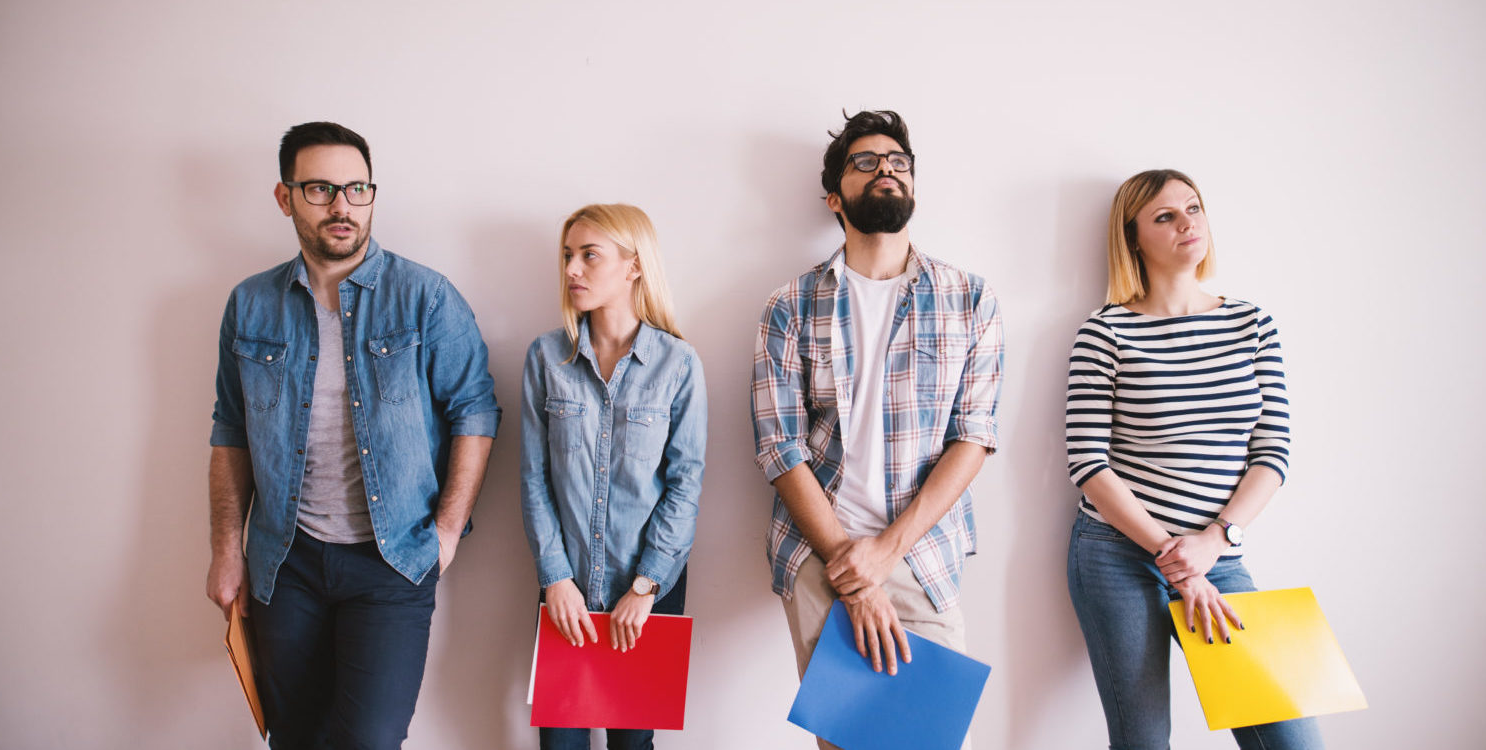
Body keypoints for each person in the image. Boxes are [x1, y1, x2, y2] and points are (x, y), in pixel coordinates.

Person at [205, 121, 500, 749]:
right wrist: (227, 548)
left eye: (356, 188)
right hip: (285, 562)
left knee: (369, 739)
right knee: (294, 736)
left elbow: (476, 410)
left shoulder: (425, 297)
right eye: (320, 189)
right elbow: (230, 429)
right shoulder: (250, 304)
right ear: (285, 198)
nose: (342, 206)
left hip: (391, 561)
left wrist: (446, 532)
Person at [750, 110, 1004, 750]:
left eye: (898, 161)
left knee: (926, 742)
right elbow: (779, 448)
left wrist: (885, 554)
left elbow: (973, 438)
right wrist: (849, 565)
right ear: (835, 197)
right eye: (866, 162)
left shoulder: (969, 298)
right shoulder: (789, 305)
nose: (886, 169)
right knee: (845, 744)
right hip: (818, 558)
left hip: (922, 556)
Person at [1065, 169, 1324, 749]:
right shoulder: (1105, 332)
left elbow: (1273, 448)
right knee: (1144, 743)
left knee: (1293, 739)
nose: (1187, 222)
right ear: (1133, 237)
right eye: (1165, 216)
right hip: (1116, 554)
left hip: (1217, 553)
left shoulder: (1252, 323)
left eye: (1194, 208)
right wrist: (1171, 555)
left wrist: (1215, 540)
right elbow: (1087, 463)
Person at [521, 204, 707, 750]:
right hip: (565, 590)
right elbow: (534, 479)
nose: (572, 269)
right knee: (560, 746)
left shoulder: (679, 364)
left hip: (648, 593)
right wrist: (555, 579)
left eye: (589, 255)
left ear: (633, 266)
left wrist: (645, 586)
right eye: (567, 257)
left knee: (633, 746)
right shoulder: (545, 358)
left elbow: (685, 485)